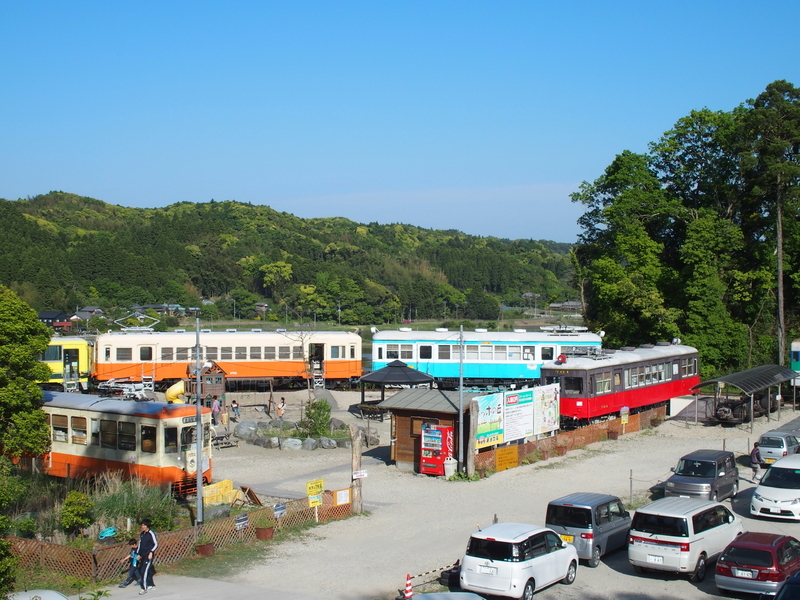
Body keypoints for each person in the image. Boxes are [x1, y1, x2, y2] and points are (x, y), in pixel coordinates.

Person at [137, 519, 158, 594]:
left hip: (148, 556)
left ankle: (144, 588)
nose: (142, 527)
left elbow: (155, 544)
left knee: (143, 571)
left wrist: (151, 552)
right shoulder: (142, 534)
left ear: (147, 526)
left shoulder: (151, 534)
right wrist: (138, 554)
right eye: (142, 525)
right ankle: (151, 585)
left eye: (143, 525)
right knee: (147, 570)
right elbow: (140, 544)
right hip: (143, 555)